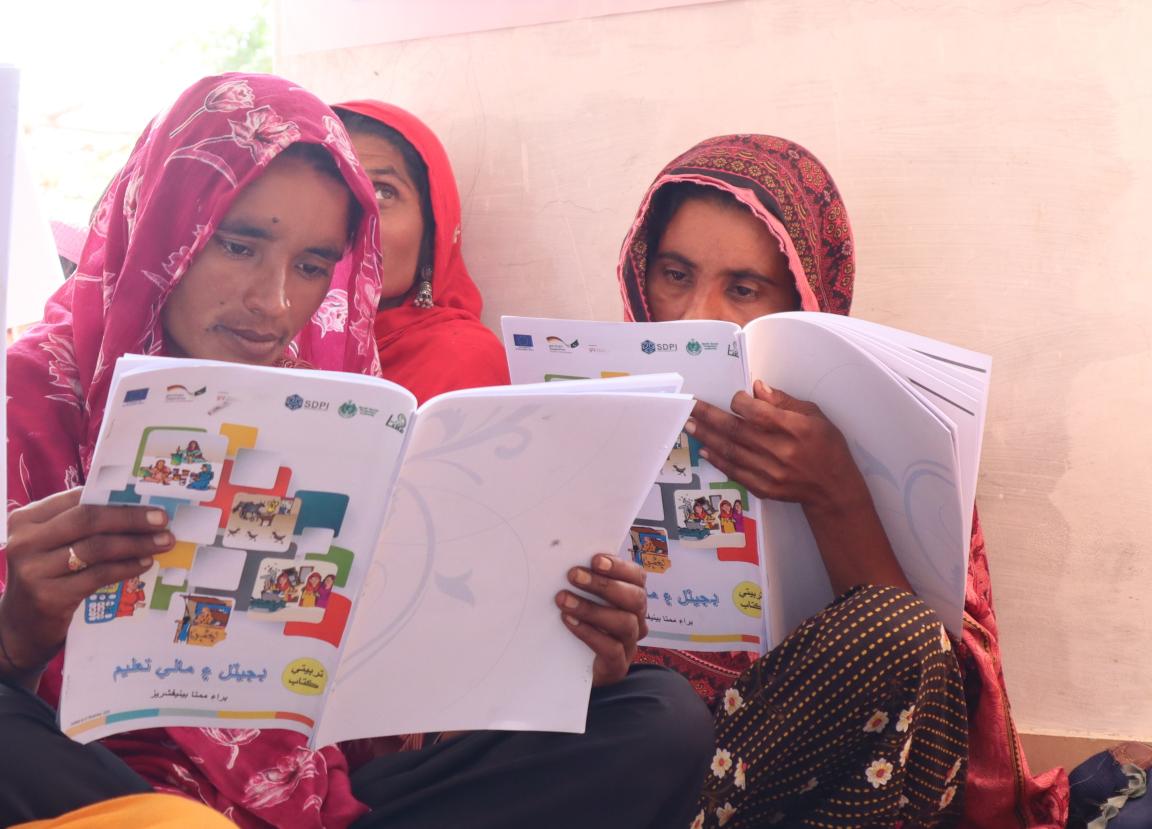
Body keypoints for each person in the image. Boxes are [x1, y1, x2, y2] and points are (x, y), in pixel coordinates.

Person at [0, 73, 711, 829]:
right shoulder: (29, 395)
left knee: (657, 717)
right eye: (238, 245)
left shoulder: (334, 403)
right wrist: (14, 638)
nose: (274, 302)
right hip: (102, 789)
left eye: (312, 265)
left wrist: (560, 655)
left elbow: (374, 703)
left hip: (313, 797)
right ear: (163, 226)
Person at [620, 135, 1068, 828]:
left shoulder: (888, 431)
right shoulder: (591, 416)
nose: (696, 315)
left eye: (743, 288)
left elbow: (928, 686)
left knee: (898, 632)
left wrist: (834, 491)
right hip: (632, 775)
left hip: (803, 784)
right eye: (675, 274)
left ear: (806, 298)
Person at [332, 100, 509, 404]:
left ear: (433, 230)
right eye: (332, 189)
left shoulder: (461, 363)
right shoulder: (262, 337)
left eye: (382, 192)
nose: (353, 218)